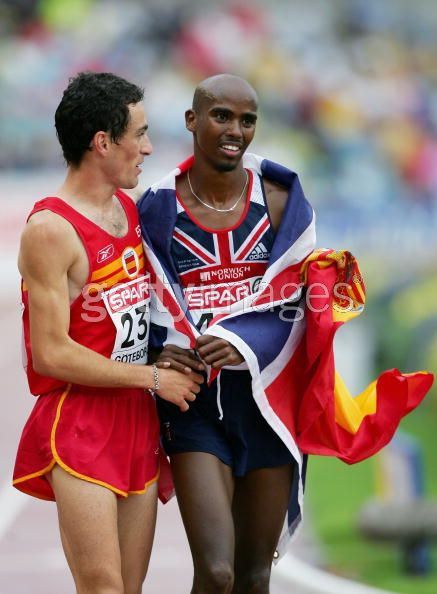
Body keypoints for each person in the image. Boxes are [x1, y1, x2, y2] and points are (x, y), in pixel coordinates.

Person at [12, 71, 203, 594]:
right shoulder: (50, 231)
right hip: (82, 422)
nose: (147, 147)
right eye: (138, 134)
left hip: (136, 418)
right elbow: (49, 353)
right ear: (102, 142)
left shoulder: (129, 208)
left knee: (130, 588)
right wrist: (150, 378)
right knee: (103, 588)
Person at [138, 73, 301, 594]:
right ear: (192, 120)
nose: (236, 129)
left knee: (255, 578)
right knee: (217, 572)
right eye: (221, 116)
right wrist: (158, 355)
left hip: (267, 407)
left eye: (247, 119)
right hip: (194, 407)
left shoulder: (279, 202)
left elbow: (298, 302)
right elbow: (140, 300)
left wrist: (244, 342)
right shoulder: (157, 207)